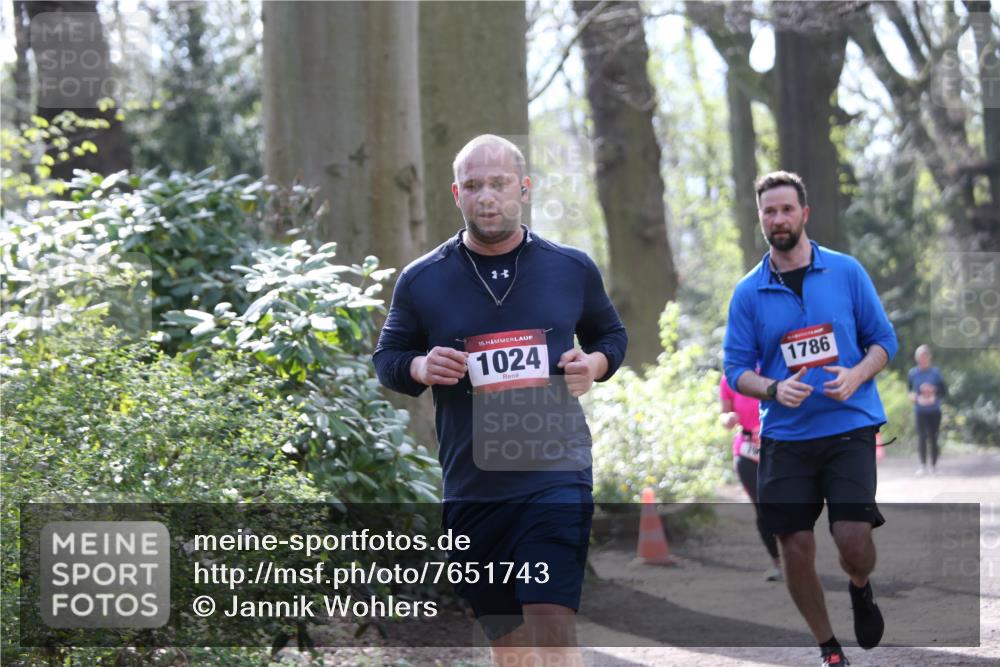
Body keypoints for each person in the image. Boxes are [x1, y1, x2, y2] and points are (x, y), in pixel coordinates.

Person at [373, 134, 627, 667]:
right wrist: (421, 366)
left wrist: (594, 365)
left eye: (499, 183)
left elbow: (610, 335)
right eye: (473, 186)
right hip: (474, 484)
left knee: (550, 615)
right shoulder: (422, 279)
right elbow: (388, 357)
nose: (486, 196)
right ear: (456, 194)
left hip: (555, 471)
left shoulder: (571, 268)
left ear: (524, 189)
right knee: (509, 646)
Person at [723, 171, 898, 667]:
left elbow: (884, 341)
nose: (778, 218)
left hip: (849, 425)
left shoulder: (846, 272)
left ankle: (860, 585)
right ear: (760, 219)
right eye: (769, 211)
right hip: (785, 435)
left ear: (804, 213)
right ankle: (828, 646)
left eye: (786, 209)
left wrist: (857, 374)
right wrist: (773, 388)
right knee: (793, 544)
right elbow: (736, 369)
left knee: (854, 542)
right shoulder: (748, 292)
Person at [719, 375, 782, 581]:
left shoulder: (773, 367)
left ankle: (797, 556)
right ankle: (778, 562)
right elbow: (724, 414)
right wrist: (728, 419)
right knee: (763, 507)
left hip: (779, 446)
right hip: (747, 450)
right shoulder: (730, 377)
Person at [908, 344, 946, 475]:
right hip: (920, 411)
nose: (923, 359)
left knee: (933, 437)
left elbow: (943, 391)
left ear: (929, 357)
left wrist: (933, 390)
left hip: (934, 410)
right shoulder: (913, 373)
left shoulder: (936, 373)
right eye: (920, 357)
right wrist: (912, 396)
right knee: (922, 437)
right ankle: (922, 465)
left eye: (925, 356)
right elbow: (910, 390)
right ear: (917, 358)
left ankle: (934, 465)